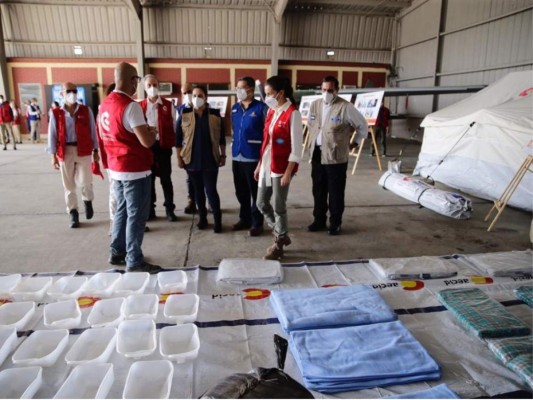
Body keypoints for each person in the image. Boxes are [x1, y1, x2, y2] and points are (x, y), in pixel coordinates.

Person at [99, 62, 161, 274]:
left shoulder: (105, 104)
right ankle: (134, 259)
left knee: (121, 212)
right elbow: (146, 142)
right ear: (132, 80)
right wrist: (152, 132)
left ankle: (117, 251)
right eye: (137, 80)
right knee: (136, 215)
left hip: (116, 167)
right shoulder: (131, 106)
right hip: (134, 168)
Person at [306, 75, 368, 235]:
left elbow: (362, 126)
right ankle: (319, 220)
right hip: (317, 153)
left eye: (330, 90)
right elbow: (311, 125)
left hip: (336, 156)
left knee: (335, 191)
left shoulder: (345, 107)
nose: (326, 93)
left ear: (337, 90)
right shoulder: (315, 105)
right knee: (318, 190)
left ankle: (335, 223)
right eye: (324, 89)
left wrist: (355, 142)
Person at [254, 76, 302, 260]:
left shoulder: (292, 113)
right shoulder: (271, 112)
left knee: (278, 206)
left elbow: (297, 147)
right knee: (261, 203)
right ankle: (281, 233)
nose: (266, 98)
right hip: (267, 164)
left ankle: (278, 244)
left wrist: (289, 172)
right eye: (265, 94)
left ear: (281, 93)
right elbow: (266, 142)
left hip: (282, 167)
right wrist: (259, 165)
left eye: (269, 94)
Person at [47, 82, 99, 228]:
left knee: (86, 181)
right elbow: (52, 135)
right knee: (68, 185)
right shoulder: (56, 113)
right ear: (62, 94)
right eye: (68, 91)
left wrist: (96, 151)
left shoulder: (85, 110)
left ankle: (87, 200)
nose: (72, 93)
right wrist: (52, 156)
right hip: (65, 151)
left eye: (74, 91)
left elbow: (93, 132)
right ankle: (73, 213)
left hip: (83, 150)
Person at [176, 85, 226, 233]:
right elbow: (178, 139)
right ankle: (202, 218)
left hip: (211, 159)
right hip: (191, 160)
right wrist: (179, 158)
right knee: (198, 192)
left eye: (200, 95)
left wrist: (223, 155)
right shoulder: (184, 114)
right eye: (194, 95)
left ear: (206, 97)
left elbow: (222, 138)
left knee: (211, 191)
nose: (197, 98)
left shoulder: (215, 115)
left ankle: (218, 220)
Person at [231, 77, 266, 237]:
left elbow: (267, 134)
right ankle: (244, 218)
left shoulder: (261, 108)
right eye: (237, 87)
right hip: (237, 156)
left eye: (242, 87)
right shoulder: (235, 108)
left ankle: (257, 223)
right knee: (241, 191)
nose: (239, 91)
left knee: (255, 193)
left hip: (253, 156)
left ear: (251, 89)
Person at [140, 74, 178, 222]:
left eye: (155, 85)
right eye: (149, 86)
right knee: (149, 181)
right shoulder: (139, 106)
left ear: (159, 86)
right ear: (144, 88)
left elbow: (175, 126)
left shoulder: (168, 106)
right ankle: (150, 210)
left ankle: (170, 209)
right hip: (147, 148)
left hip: (163, 147)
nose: (152, 88)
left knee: (166, 180)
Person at [177, 82, 197, 215]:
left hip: (203, 148)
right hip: (187, 150)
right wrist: (179, 156)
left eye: (189, 91)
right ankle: (192, 201)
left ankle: (208, 202)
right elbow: (178, 133)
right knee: (190, 177)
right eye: (184, 93)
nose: (187, 95)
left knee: (206, 177)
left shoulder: (203, 107)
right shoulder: (180, 110)